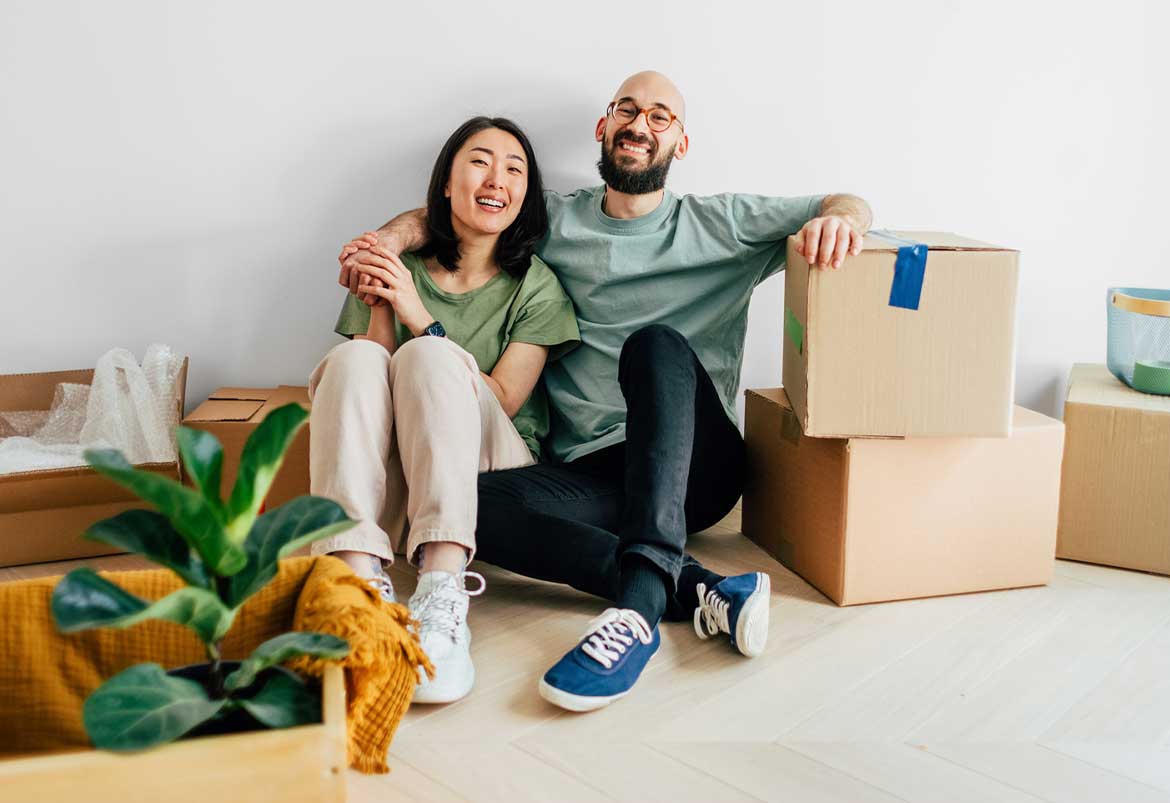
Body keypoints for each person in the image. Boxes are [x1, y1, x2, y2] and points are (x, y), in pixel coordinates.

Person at [339, 71, 872, 712]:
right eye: (626, 109)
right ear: (604, 127)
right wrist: (390, 240)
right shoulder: (553, 218)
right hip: (590, 469)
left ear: (680, 141)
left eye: (660, 116)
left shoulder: (722, 222)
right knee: (465, 506)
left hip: (693, 464)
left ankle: (638, 609)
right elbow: (452, 213)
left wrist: (842, 219)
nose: (640, 124)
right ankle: (698, 588)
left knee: (653, 345)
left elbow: (841, 201)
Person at [308, 116, 579, 705]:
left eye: (515, 169)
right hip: (406, 469)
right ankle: (355, 586)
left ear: (524, 196)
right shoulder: (398, 264)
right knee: (353, 363)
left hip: (492, 470)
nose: (497, 178)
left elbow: (504, 397)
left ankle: (441, 591)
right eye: (479, 161)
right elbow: (371, 378)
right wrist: (385, 297)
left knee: (430, 354)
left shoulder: (538, 287)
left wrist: (417, 316)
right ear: (448, 186)